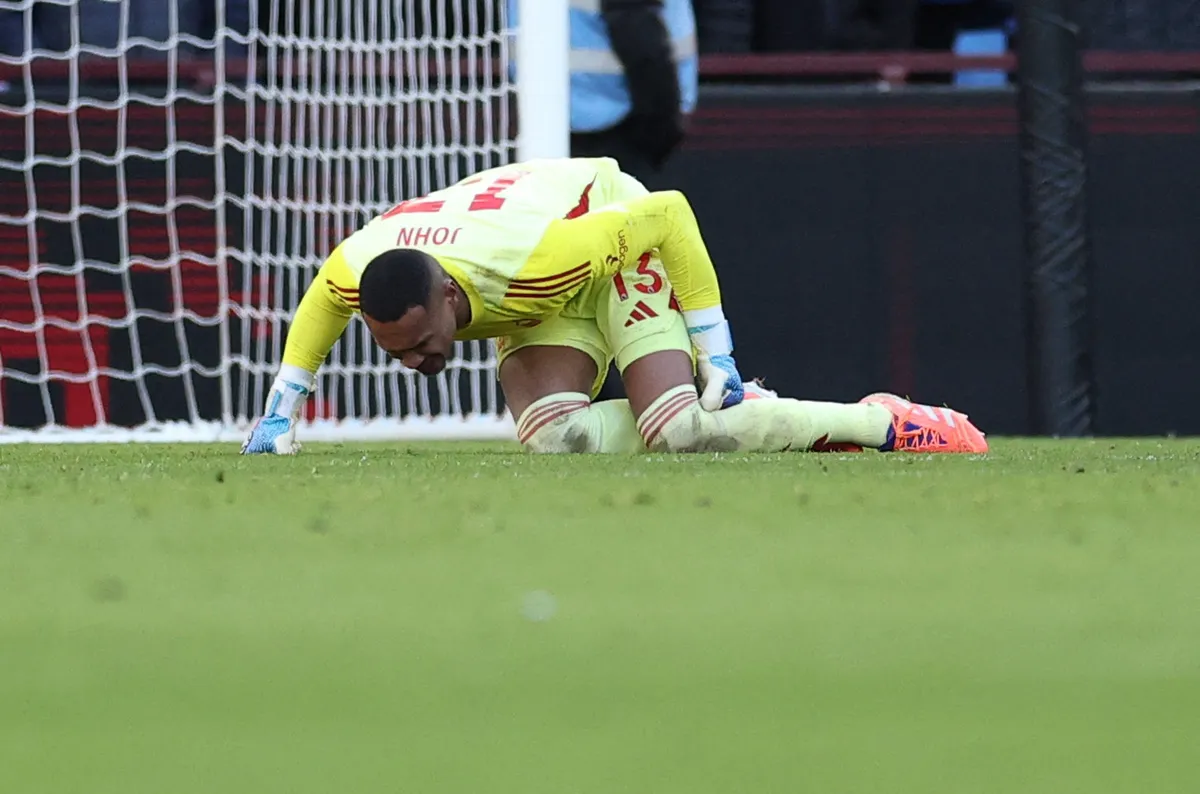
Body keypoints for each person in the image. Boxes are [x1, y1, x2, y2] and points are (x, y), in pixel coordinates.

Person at [241, 157, 987, 456]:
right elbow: (320, 305)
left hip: (608, 234)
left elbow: (669, 212)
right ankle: (747, 414)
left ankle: (887, 424)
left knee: (682, 432)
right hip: (526, 269)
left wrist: (715, 353)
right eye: (395, 350)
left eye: (420, 342)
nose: (412, 361)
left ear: (448, 295)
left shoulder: (544, 261)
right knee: (556, 443)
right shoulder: (354, 270)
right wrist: (280, 413)